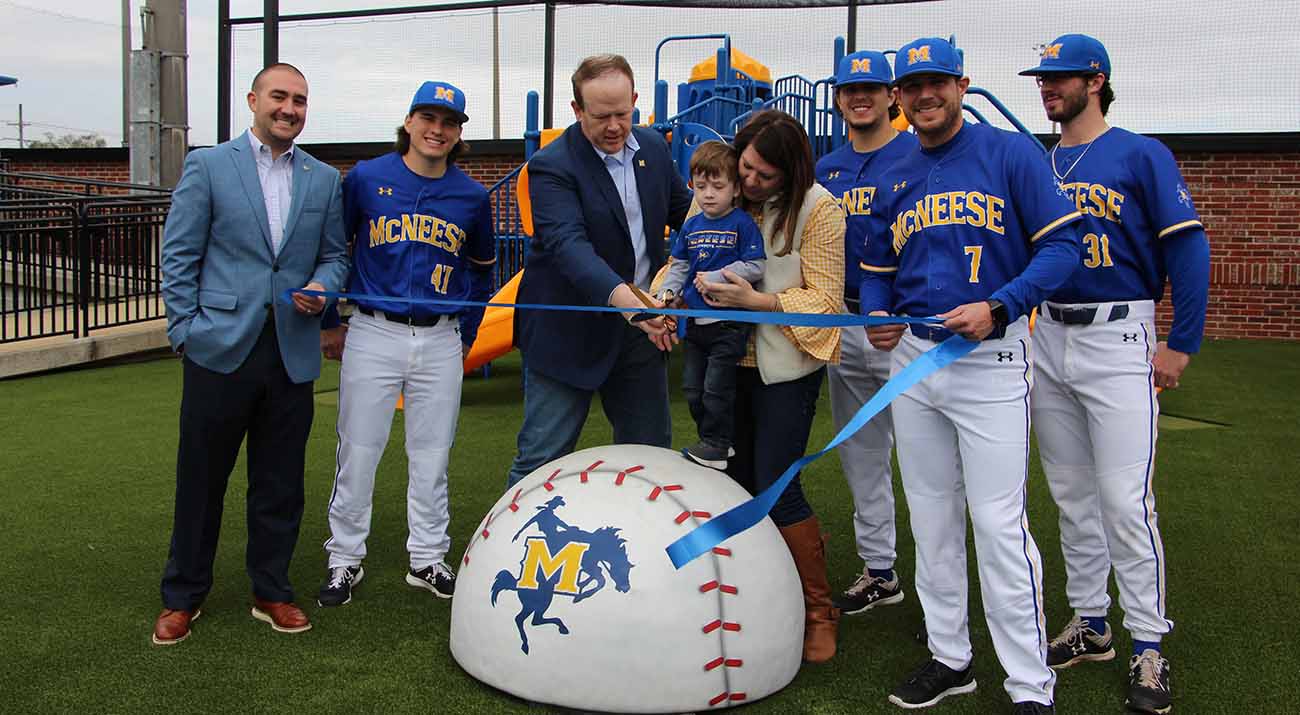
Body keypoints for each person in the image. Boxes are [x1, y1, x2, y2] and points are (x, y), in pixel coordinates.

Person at [861, 38, 1083, 713]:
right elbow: (875, 265)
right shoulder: (892, 162)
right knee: (929, 517)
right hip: (914, 360)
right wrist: (875, 314)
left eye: (937, 82)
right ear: (898, 95)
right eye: (912, 85)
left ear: (961, 84)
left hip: (989, 357)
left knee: (997, 521)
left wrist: (1001, 303)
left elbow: (1064, 248)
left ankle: (1029, 684)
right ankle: (951, 656)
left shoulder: (1011, 154)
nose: (924, 95)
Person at [1020, 34, 1208, 715]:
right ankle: (1091, 620)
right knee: (1070, 494)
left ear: (1095, 79)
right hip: (1050, 335)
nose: (1047, 87)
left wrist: (1181, 342)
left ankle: (1149, 640)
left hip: (1119, 335)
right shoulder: (1043, 160)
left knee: (1126, 499)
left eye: (1060, 77)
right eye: (1042, 78)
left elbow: (1187, 244)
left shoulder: (1139, 152)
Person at [154, 63, 349, 645]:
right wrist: (185, 330)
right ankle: (182, 596)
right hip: (218, 349)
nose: (290, 108)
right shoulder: (208, 165)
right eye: (280, 97)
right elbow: (179, 254)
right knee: (202, 480)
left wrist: (323, 287)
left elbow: (336, 255)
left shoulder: (324, 179)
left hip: (291, 353)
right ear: (254, 100)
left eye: (300, 100)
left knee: (281, 482)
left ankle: (271, 590)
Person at [315, 81, 496, 608]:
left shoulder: (471, 195)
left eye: (450, 122)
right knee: (359, 450)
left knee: (432, 455)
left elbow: (482, 275)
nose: (437, 130)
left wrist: (466, 334)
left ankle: (427, 558)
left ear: (460, 133)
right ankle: (344, 559)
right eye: (429, 118)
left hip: (440, 334)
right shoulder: (368, 178)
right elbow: (334, 252)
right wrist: (330, 319)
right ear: (410, 122)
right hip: (373, 329)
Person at [694, 110, 846, 663]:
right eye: (746, 168)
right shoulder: (718, 188)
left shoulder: (819, 209)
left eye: (764, 175)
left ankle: (818, 611)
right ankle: (748, 604)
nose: (750, 182)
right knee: (728, 481)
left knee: (777, 485)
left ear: (792, 171)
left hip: (783, 369)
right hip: (720, 364)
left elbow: (829, 302)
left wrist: (761, 302)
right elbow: (684, 255)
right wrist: (661, 301)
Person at [506, 54, 692, 487]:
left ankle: (645, 550)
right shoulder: (551, 165)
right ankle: (509, 553)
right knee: (542, 457)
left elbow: (687, 215)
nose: (614, 126)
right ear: (576, 110)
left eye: (623, 114)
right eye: (601, 115)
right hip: (565, 333)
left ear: (637, 102)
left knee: (649, 456)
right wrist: (634, 304)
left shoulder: (655, 149)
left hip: (640, 333)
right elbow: (569, 248)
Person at [815, 49, 919, 616]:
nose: (861, 96)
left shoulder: (918, 153)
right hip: (845, 322)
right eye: (850, 88)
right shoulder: (825, 167)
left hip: (907, 326)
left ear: (891, 96)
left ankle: (937, 583)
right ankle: (880, 570)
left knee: (930, 465)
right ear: (838, 99)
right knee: (861, 454)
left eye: (872, 88)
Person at [656, 140, 765, 469]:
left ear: (735, 189)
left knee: (716, 388)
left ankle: (718, 443)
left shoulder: (742, 224)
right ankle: (713, 439)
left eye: (717, 186)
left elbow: (757, 265)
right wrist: (668, 293)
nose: (707, 194)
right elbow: (679, 265)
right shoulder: (691, 224)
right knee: (692, 389)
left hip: (729, 324)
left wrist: (718, 276)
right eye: (700, 186)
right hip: (696, 326)